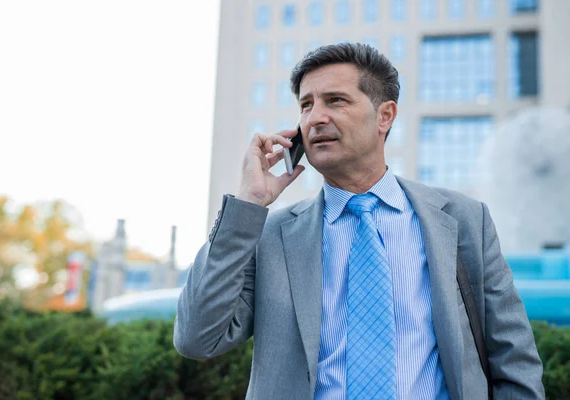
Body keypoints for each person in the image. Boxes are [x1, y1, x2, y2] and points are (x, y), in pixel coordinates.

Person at [173, 43, 544, 400]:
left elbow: (514, 358)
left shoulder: (464, 220)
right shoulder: (270, 234)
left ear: (385, 116)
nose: (315, 117)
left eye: (335, 100)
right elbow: (196, 338)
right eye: (306, 105)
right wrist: (248, 204)